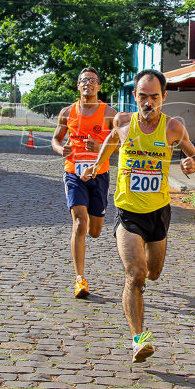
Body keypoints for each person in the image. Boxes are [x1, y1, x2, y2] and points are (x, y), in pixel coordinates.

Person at [83, 69, 195, 362]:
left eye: (154, 96)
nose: (148, 102)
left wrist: (192, 165)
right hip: (127, 210)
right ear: (134, 96)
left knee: (153, 272)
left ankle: (142, 287)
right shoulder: (123, 121)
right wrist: (96, 164)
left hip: (159, 212)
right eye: (142, 96)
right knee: (135, 275)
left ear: (163, 97)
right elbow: (112, 142)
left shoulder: (173, 128)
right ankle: (138, 340)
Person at [52, 68, 117, 299]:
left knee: (95, 230)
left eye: (92, 80)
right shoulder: (67, 112)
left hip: (99, 174)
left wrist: (101, 149)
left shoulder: (110, 113)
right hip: (74, 172)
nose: (87, 84)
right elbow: (56, 139)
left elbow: (121, 145)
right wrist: (62, 150)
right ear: (78, 87)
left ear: (99, 86)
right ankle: (80, 279)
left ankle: (94, 220)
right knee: (79, 221)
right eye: (83, 81)